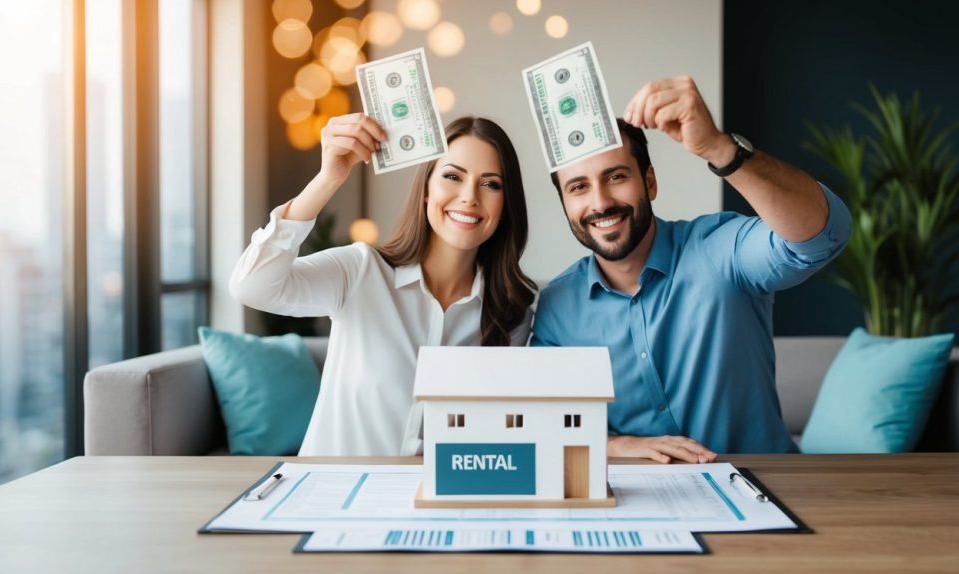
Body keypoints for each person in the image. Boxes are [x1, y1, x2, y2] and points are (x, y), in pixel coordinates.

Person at [530, 76, 851, 462]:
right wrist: (616, 444)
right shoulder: (557, 307)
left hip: (766, 482)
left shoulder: (717, 249)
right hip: (643, 493)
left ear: (649, 183)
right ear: (565, 204)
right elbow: (543, 421)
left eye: (616, 177)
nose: (600, 202)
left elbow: (822, 236)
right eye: (578, 187)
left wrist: (720, 148)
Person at [230, 114, 536, 456]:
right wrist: (328, 179)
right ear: (425, 190)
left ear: (505, 205)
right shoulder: (360, 270)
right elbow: (251, 287)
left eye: (491, 184)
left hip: (431, 490)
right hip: (332, 487)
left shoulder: (511, 314)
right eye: (452, 176)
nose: (469, 197)